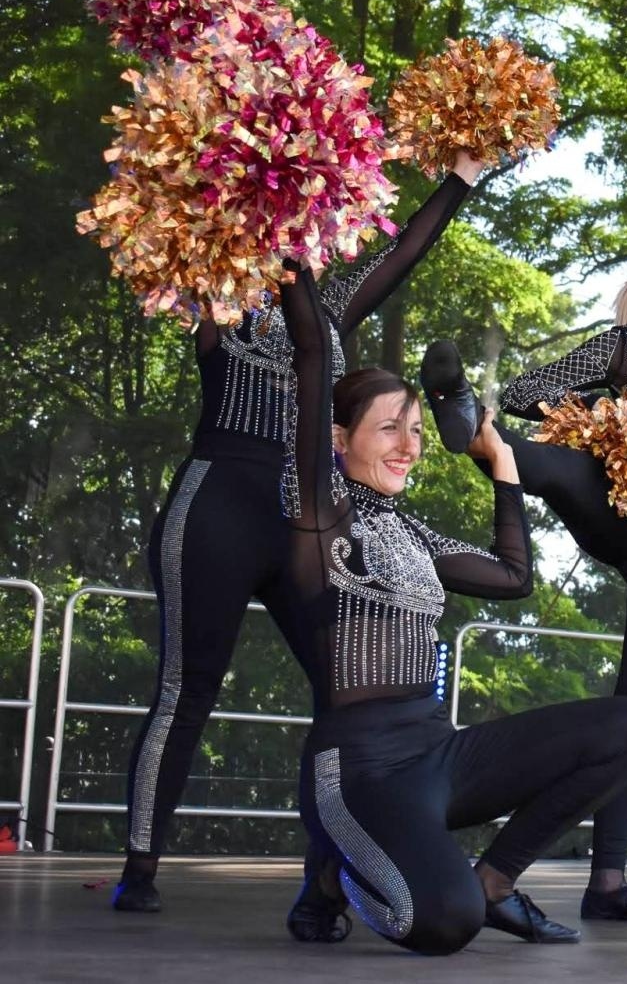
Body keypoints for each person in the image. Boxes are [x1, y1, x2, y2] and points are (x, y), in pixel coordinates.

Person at [116, 156, 483, 932]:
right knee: (188, 685)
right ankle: (139, 864)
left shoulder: (327, 304)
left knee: (344, 690)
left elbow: (405, 249)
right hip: (218, 502)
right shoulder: (219, 289)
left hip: (308, 518)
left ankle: (325, 881)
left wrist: (462, 174)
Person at [420, 121, 627, 923]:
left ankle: (607, 882)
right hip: (616, 503)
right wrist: (607, 429)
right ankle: (466, 422)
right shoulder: (621, 346)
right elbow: (530, 391)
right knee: (550, 459)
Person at [280, 260, 627, 955]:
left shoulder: (412, 533)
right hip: (359, 771)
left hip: (439, 754)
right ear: (336, 439)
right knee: (444, 922)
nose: (409, 446)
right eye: (389, 429)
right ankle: (333, 871)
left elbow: (513, 577)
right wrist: (289, 236)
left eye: (416, 430)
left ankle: (496, 880)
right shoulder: (318, 518)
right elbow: (310, 355)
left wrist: (502, 465)